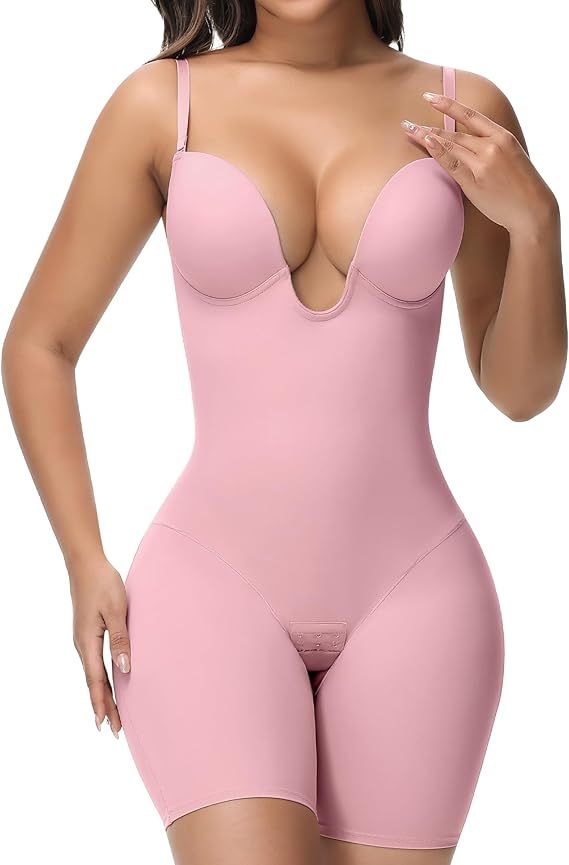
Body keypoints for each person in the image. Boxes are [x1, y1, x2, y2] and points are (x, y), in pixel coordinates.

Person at [2, 1, 566, 864]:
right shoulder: (161, 105)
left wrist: (536, 225)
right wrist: (84, 560)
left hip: (418, 599)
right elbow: (40, 344)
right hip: (209, 591)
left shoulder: (462, 109)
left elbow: (518, 391)